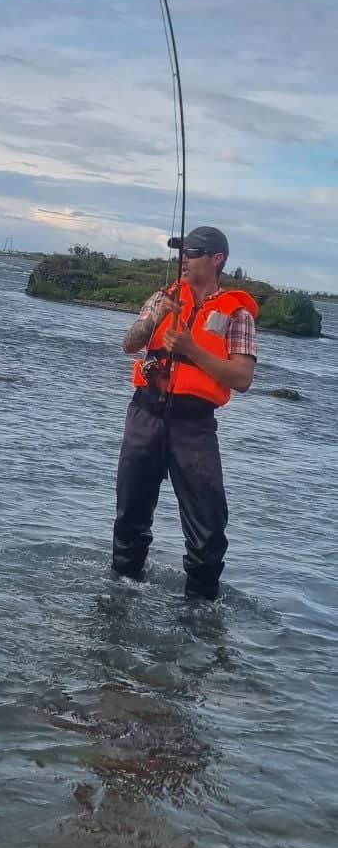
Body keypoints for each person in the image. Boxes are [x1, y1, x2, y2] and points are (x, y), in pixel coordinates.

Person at [112, 226, 258, 600]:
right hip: (145, 413)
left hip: (194, 425)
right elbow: (128, 344)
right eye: (182, 252)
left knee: (208, 529)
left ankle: (200, 612)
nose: (183, 260)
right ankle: (120, 594)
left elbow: (242, 378)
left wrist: (192, 349)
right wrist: (153, 319)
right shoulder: (163, 297)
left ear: (216, 259)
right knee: (130, 516)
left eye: (192, 253)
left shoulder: (238, 314)